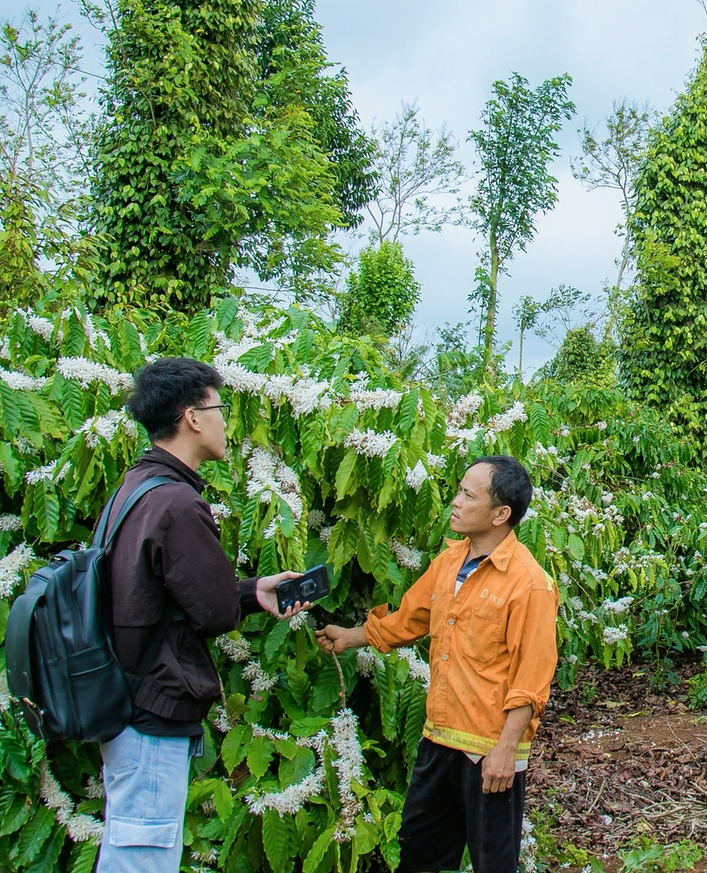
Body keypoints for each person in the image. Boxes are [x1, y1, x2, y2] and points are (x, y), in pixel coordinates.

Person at [98, 357, 306, 873]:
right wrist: (236, 596)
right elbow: (211, 611)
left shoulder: (136, 488)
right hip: (150, 709)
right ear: (193, 416)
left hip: (122, 698)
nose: (226, 423)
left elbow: (163, 590)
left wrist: (250, 590)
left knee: (129, 842)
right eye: (220, 408)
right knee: (141, 856)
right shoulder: (177, 503)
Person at [315, 455, 557, 873]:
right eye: (458, 491)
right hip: (438, 739)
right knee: (419, 855)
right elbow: (410, 619)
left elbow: (531, 678)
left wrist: (505, 751)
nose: (456, 502)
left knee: (493, 863)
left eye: (468, 495)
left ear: (501, 514)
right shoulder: (448, 562)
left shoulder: (530, 583)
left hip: (488, 753)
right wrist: (350, 637)